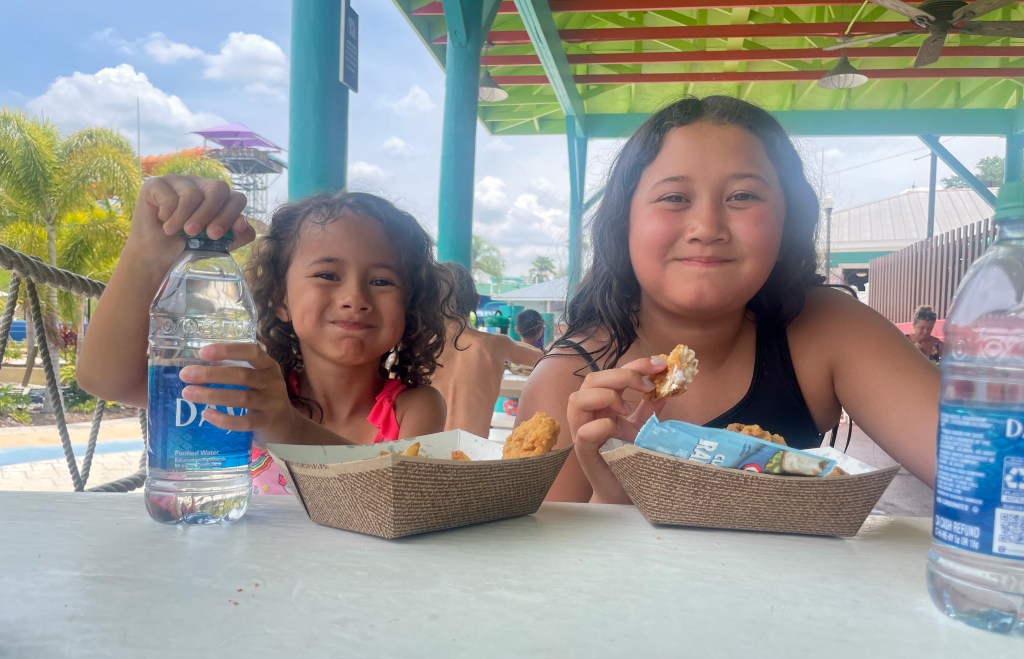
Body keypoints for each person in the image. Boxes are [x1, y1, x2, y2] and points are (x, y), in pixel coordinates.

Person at [514, 95, 940, 503]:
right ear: (623, 223)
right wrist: (613, 497)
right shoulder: (567, 381)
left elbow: (974, 475)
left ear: (787, 222)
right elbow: (539, 551)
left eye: (743, 196)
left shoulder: (828, 328)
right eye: (674, 198)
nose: (707, 227)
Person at [77, 175, 456, 494]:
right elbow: (106, 379)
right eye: (327, 275)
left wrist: (287, 427)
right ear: (280, 299)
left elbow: (403, 493)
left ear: (409, 306)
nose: (355, 298)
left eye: (382, 281)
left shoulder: (414, 407)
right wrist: (147, 254)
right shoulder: (244, 392)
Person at [431, 263, 544, 437]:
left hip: (421, 451)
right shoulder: (494, 344)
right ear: (476, 301)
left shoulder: (415, 351)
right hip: (472, 452)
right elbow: (542, 358)